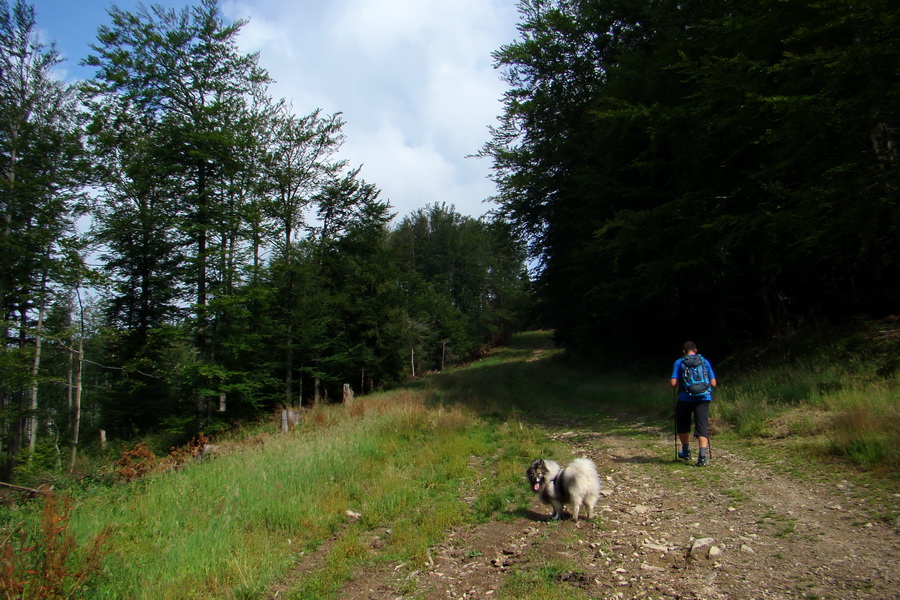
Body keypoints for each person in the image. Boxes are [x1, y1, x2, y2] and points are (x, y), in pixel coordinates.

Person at [670, 341, 717, 466]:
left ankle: (686, 451)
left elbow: (673, 384)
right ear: (695, 350)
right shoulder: (704, 361)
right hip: (703, 398)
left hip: (685, 398)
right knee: (702, 426)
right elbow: (713, 383)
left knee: (682, 423)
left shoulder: (679, 362)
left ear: (683, 351)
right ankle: (702, 456)